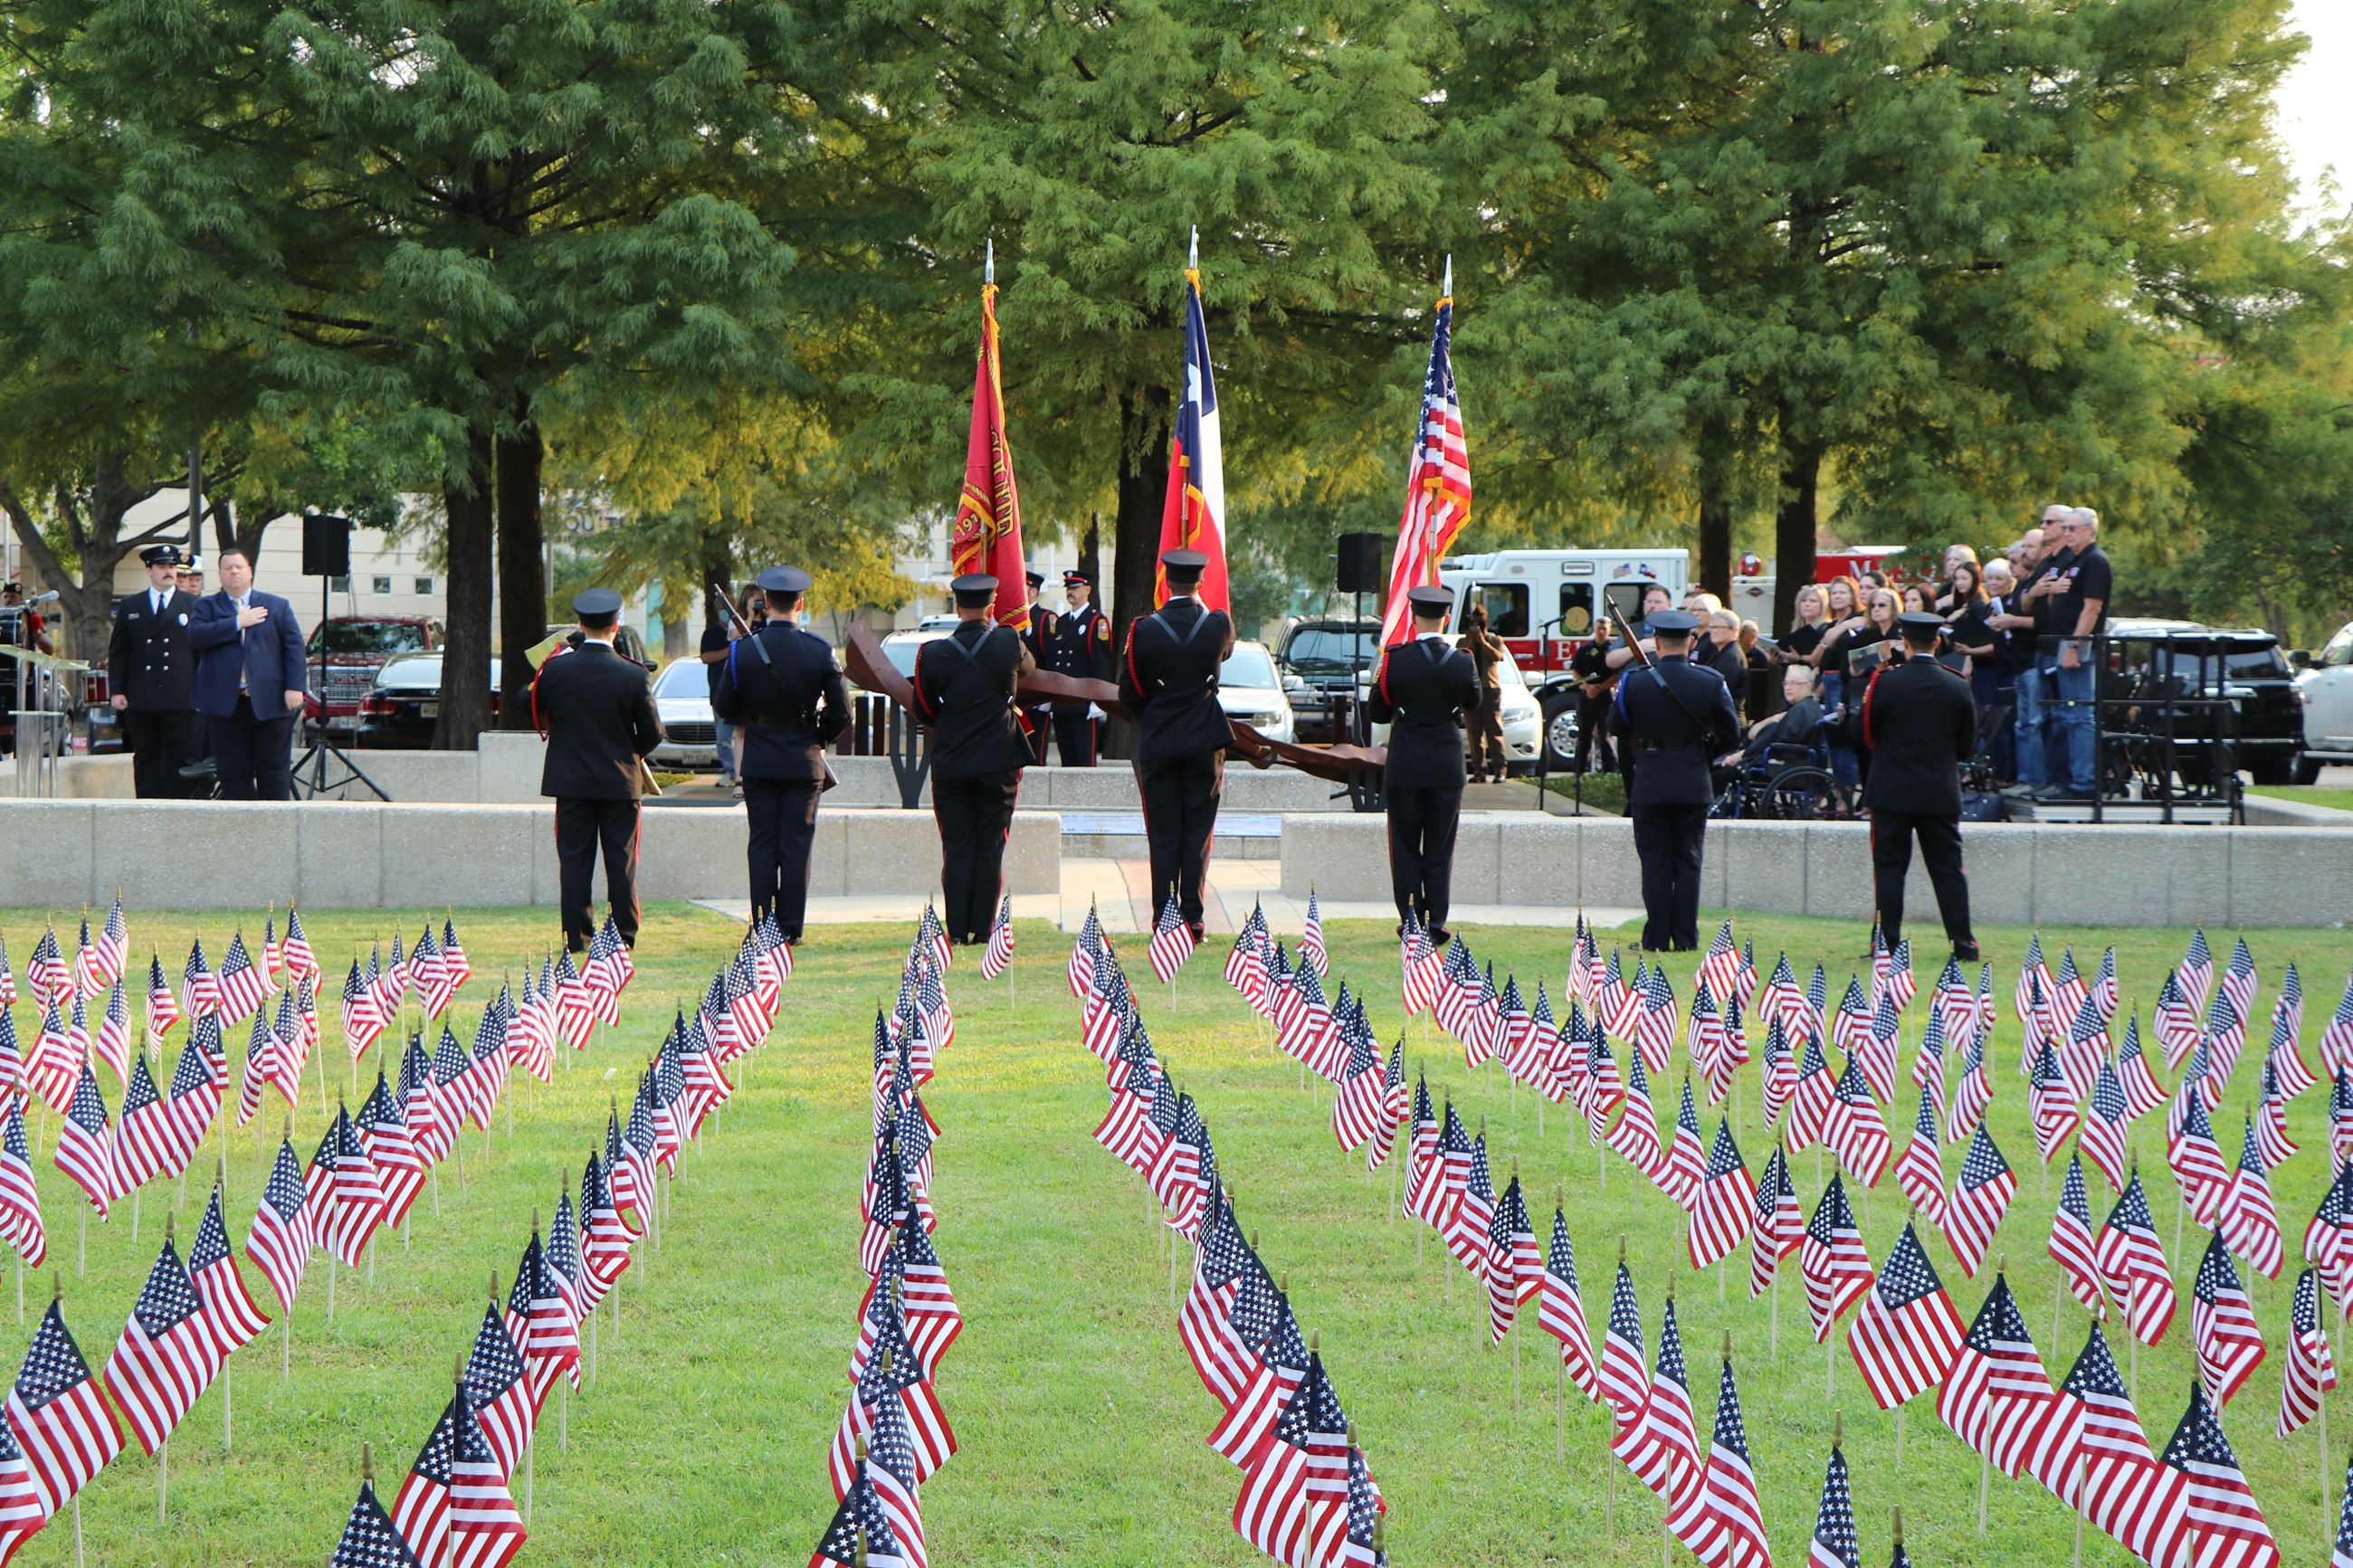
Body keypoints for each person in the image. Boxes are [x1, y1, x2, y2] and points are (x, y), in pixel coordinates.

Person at [711, 565, 850, 943]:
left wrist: (756, 717)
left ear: (766, 602)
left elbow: (724, 706)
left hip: (759, 759)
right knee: (796, 845)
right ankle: (790, 928)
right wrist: (818, 736)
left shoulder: (742, 650)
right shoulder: (819, 650)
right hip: (803, 760)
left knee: (762, 843)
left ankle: (762, 925)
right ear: (800, 604)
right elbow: (842, 712)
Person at [529, 588, 665, 954]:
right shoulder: (633, 674)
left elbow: (528, 704)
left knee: (574, 862)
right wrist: (629, 753)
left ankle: (578, 936)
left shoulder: (555, 670)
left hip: (571, 782)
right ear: (615, 626)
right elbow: (654, 732)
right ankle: (623, 935)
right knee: (622, 861)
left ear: (580, 624)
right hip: (619, 781)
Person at [1117, 548, 1234, 938]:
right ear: (1201, 582)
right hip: (1205, 742)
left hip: (1160, 740)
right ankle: (1194, 918)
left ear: (1166, 583)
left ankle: (1165, 918)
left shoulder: (1143, 629)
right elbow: (1225, 652)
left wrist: (1157, 704)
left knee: (1164, 834)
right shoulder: (1218, 623)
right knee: (1198, 833)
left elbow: (1129, 693)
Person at [913, 574, 1036, 945]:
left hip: (952, 762)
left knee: (956, 846)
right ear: (992, 606)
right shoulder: (1007, 641)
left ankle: (956, 931)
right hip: (999, 761)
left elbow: (924, 709)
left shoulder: (932, 654)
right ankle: (982, 930)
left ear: (956, 607)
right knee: (990, 846)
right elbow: (1029, 669)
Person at [1850, 612, 1979, 960]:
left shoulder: (1885, 682)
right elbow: (1965, 746)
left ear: (1904, 642)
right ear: (1936, 642)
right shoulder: (1957, 684)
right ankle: (1963, 943)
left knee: (1889, 870)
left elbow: (1864, 734)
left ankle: (1887, 945)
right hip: (1939, 791)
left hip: (1891, 791)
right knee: (1948, 870)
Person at [1608, 611, 1739, 952]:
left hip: (1650, 781)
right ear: (1691, 642)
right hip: (1693, 781)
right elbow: (1731, 735)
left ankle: (1655, 938)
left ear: (1658, 643)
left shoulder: (1634, 681)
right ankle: (1685, 938)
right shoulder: (1711, 680)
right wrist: (1700, 753)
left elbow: (1616, 726)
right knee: (1688, 862)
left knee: (1654, 862)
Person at [1365, 585, 1480, 943]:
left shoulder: (1394, 660)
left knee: (1404, 846)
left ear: (1414, 618)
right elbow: (1474, 703)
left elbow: (1377, 712)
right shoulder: (1463, 661)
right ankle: (1437, 920)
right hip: (1446, 766)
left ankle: (1411, 918)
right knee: (1440, 848)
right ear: (1447, 618)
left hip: (1406, 765)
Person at [188, 546, 307, 801]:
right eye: (228, 568)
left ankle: (273, 820)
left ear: (249, 571)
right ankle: (242, 821)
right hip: (226, 705)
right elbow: (196, 636)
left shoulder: (276, 606)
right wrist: (237, 622)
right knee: (233, 772)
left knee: (273, 770)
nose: (234, 572)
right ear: (220, 574)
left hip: (270, 702)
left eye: (239, 567)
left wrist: (295, 686)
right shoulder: (206, 606)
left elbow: (294, 648)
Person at [106, 544, 203, 798]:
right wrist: (117, 689)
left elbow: (201, 653)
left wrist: (202, 692)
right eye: (161, 566)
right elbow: (119, 651)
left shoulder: (193, 605)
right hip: (142, 695)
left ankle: (179, 809)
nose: (168, 571)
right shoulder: (131, 605)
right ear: (149, 570)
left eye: (171, 566)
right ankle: (147, 808)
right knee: (145, 756)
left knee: (181, 757)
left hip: (180, 696)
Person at [2031, 506, 2111, 800]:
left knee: (2079, 716)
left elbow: (2092, 608)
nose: (2067, 533)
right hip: (2060, 644)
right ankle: (2066, 779)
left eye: (2072, 528)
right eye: (2065, 528)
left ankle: (2083, 783)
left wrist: (2075, 646)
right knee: (2065, 715)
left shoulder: (2095, 560)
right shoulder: (2075, 560)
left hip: (2076, 645)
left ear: (2090, 530)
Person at [1991, 512, 2065, 792]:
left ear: (2045, 549)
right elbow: (2023, 607)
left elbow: (2041, 621)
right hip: (2020, 662)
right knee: (2023, 723)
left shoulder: (2047, 577)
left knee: (2035, 721)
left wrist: (2012, 621)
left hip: (2037, 659)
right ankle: (2025, 777)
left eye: (2029, 547)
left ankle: (2035, 779)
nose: (2022, 554)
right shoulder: (2027, 583)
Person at [1040, 569, 1113, 766]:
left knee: (1084, 761)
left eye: (1075, 587)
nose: (1070, 591)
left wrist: (1098, 701)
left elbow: (1100, 663)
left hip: (1083, 703)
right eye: (1068, 588)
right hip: (1061, 702)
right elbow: (1054, 663)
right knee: (1067, 760)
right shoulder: (1062, 622)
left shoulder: (1095, 621)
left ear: (1087, 590)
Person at [699, 585, 757, 801]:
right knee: (724, 738)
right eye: (720, 608)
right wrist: (731, 650)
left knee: (744, 734)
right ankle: (731, 772)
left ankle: (743, 774)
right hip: (721, 692)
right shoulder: (713, 633)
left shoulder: (756, 623)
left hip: (746, 691)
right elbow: (707, 656)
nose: (724, 612)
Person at [1457, 603, 1509, 784]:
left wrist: (1482, 641)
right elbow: (1459, 657)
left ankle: (1500, 769)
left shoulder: (1495, 639)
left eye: (1481, 624)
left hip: (1490, 689)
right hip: (1471, 689)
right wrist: (1469, 641)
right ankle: (1479, 770)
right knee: (1474, 732)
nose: (1478, 627)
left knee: (1494, 730)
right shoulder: (1464, 641)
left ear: (1487, 623)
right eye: (1475, 623)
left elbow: (1497, 656)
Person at [1016, 570, 1053, 765]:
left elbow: (1050, 660)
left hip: (1037, 699)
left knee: (1035, 753)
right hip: (1016, 699)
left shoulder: (1044, 618)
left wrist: (1047, 696)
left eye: (1024, 587)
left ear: (1034, 592)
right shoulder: (1013, 619)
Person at [1700, 609, 1748, 708]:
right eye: (1711, 627)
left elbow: (1721, 691)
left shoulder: (1731, 657)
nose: (1714, 631)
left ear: (1734, 630)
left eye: (1718, 627)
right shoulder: (1722, 652)